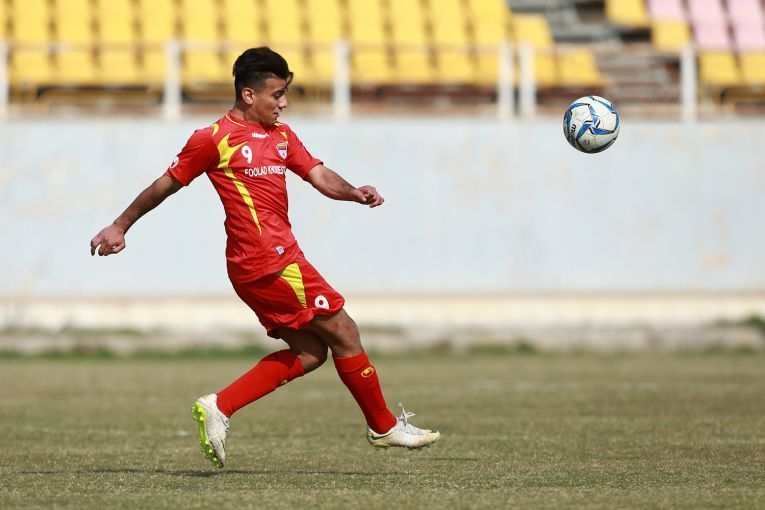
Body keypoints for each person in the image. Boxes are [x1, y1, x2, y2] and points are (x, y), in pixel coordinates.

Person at [90, 47, 440, 469]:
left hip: (266, 263)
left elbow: (318, 175)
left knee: (311, 352)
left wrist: (353, 192)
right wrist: (120, 226)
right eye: (276, 94)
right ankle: (383, 426)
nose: (283, 103)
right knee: (345, 331)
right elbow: (165, 184)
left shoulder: (282, 136)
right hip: (268, 261)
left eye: (284, 94)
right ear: (248, 94)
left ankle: (220, 405)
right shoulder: (213, 138)